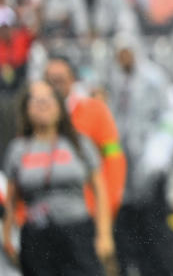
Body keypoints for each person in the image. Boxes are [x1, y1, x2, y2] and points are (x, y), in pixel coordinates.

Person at [2, 80, 113, 275]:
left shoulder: (78, 143)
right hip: (37, 238)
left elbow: (100, 190)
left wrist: (104, 234)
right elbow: (11, 200)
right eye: (36, 101)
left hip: (77, 233)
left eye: (48, 100)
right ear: (26, 109)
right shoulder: (18, 149)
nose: (43, 105)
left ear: (59, 107)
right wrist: (8, 237)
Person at [105, 36, 173, 276]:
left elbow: (168, 119)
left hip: (150, 165)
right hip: (124, 168)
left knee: (155, 225)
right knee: (130, 227)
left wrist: (158, 156)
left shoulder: (153, 78)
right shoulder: (116, 80)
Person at [43, 55, 127, 218]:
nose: (55, 86)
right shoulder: (36, 115)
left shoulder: (94, 111)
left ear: (72, 79)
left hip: (86, 209)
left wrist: (108, 204)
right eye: (50, 80)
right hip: (46, 213)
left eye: (60, 79)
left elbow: (113, 156)